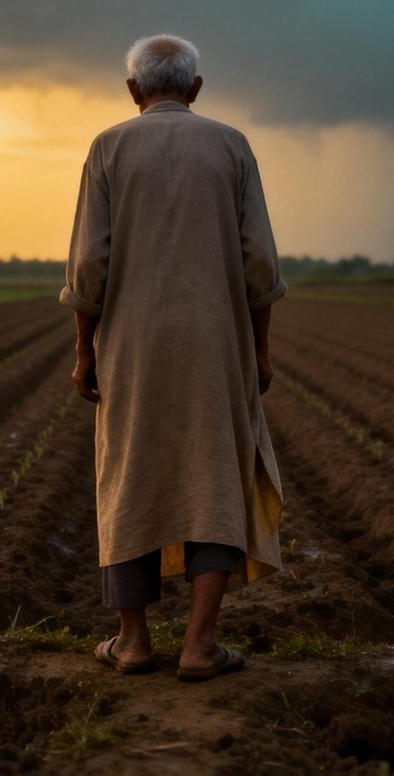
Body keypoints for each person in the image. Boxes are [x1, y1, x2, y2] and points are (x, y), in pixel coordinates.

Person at [58, 33, 288, 681]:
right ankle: (199, 646)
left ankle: (132, 643)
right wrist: (261, 350)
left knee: (127, 475)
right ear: (196, 89)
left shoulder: (109, 147)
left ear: (134, 91)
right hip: (218, 344)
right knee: (215, 474)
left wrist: (85, 350)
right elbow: (259, 264)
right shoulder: (230, 144)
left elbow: (89, 267)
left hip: (130, 344)